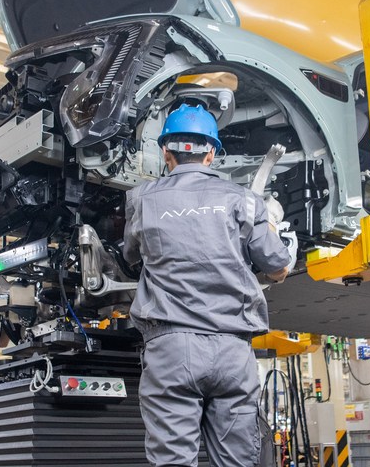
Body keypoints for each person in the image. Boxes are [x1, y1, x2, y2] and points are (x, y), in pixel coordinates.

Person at [123, 104, 293, 467]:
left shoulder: (142, 200)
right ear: (211, 153)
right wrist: (270, 227)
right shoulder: (245, 201)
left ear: (165, 151)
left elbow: (131, 257)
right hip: (233, 352)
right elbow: (279, 267)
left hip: (171, 350)